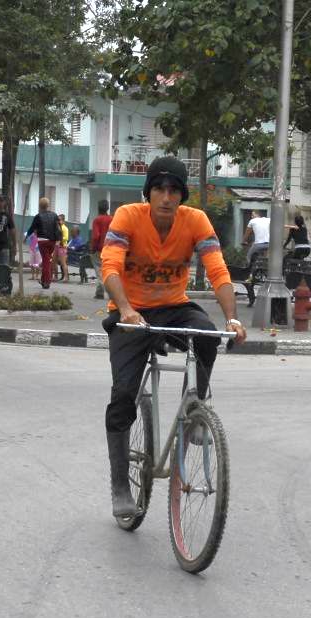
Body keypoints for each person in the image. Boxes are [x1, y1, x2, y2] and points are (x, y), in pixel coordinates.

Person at [100, 156, 247, 517]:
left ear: (182, 195)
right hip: (130, 311)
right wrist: (127, 308)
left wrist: (232, 319)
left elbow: (217, 270)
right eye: (159, 189)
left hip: (173, 306)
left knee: (208, 334)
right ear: (148, 192)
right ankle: (120, 486)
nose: (166, 197)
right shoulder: (128, 217)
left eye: (174, 190)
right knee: (122, 395)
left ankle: (193, 407)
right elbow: (110, 266)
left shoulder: (195, 220)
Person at [25, 197, 62, 289]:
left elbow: (32, 228)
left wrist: (26, 237)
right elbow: (58, 228)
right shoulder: (54, 215)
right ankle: (43, 279)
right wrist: (58, 239)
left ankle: (47, 282)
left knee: (46, 262)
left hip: (42, 241)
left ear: (40, 206)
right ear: (48, 205)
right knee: (47, 260)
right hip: (52, 241)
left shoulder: (38, 216)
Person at [90, 200, 113, 299]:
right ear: (107, 208)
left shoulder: (97, 220)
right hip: (111, 248)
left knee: (99, 270)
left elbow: (96, 236)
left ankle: (100, 291)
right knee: (109, 270)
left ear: (98, 208)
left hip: (99, 248)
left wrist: (93, 248)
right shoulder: (112, 219)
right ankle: (113, 292)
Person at [54, 213, 70, 282]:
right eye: (57, 220)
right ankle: (56, 276)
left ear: (63, 221)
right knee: (54, 261)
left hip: (62, 247)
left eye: (60, 220)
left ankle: (66, 277)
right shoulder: (57, 227)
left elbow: (66, 238)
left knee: (63, 263)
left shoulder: (65, 228)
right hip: (56, 246)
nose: (58, 221)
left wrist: (59, 239)